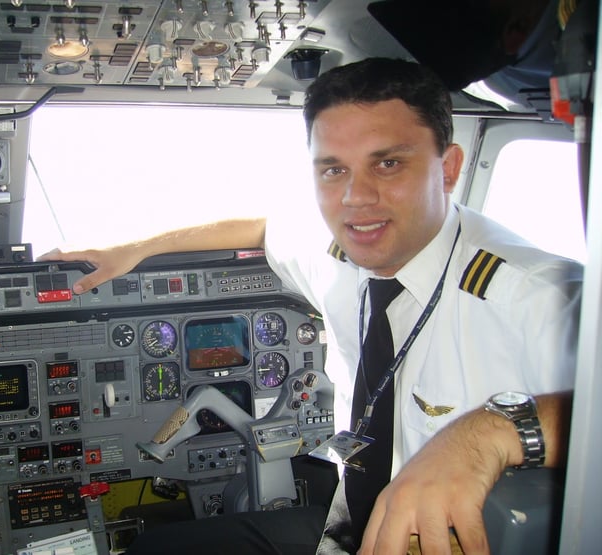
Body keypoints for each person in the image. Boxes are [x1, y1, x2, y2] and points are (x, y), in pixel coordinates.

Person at [39, 58, 581, 554]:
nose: (355, 198)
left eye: (387, 164)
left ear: (449, 167)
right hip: (349, 526)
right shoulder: (336, 251)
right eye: (333, 170)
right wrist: (137, 248)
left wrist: (487, 432)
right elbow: (264, 226)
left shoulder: (531, 293)